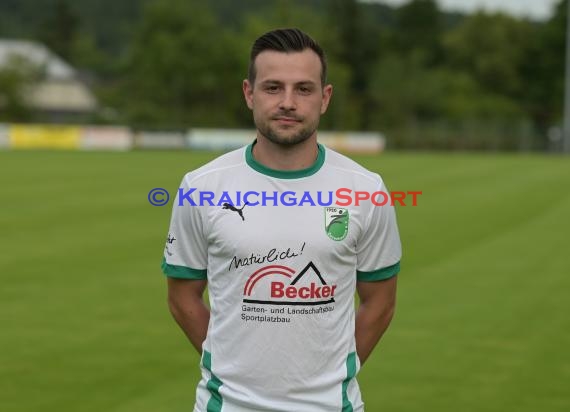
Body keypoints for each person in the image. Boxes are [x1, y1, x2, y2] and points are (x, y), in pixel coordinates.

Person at [162, 28, 401, 412]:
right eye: (273, 87)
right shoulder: (202, 186)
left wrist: (330, 373)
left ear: (324, 99)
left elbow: (380, 302)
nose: (288, 102)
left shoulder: (365, 189)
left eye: (303, 89)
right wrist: (230, 365)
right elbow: (181, 295)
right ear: (249, 93)